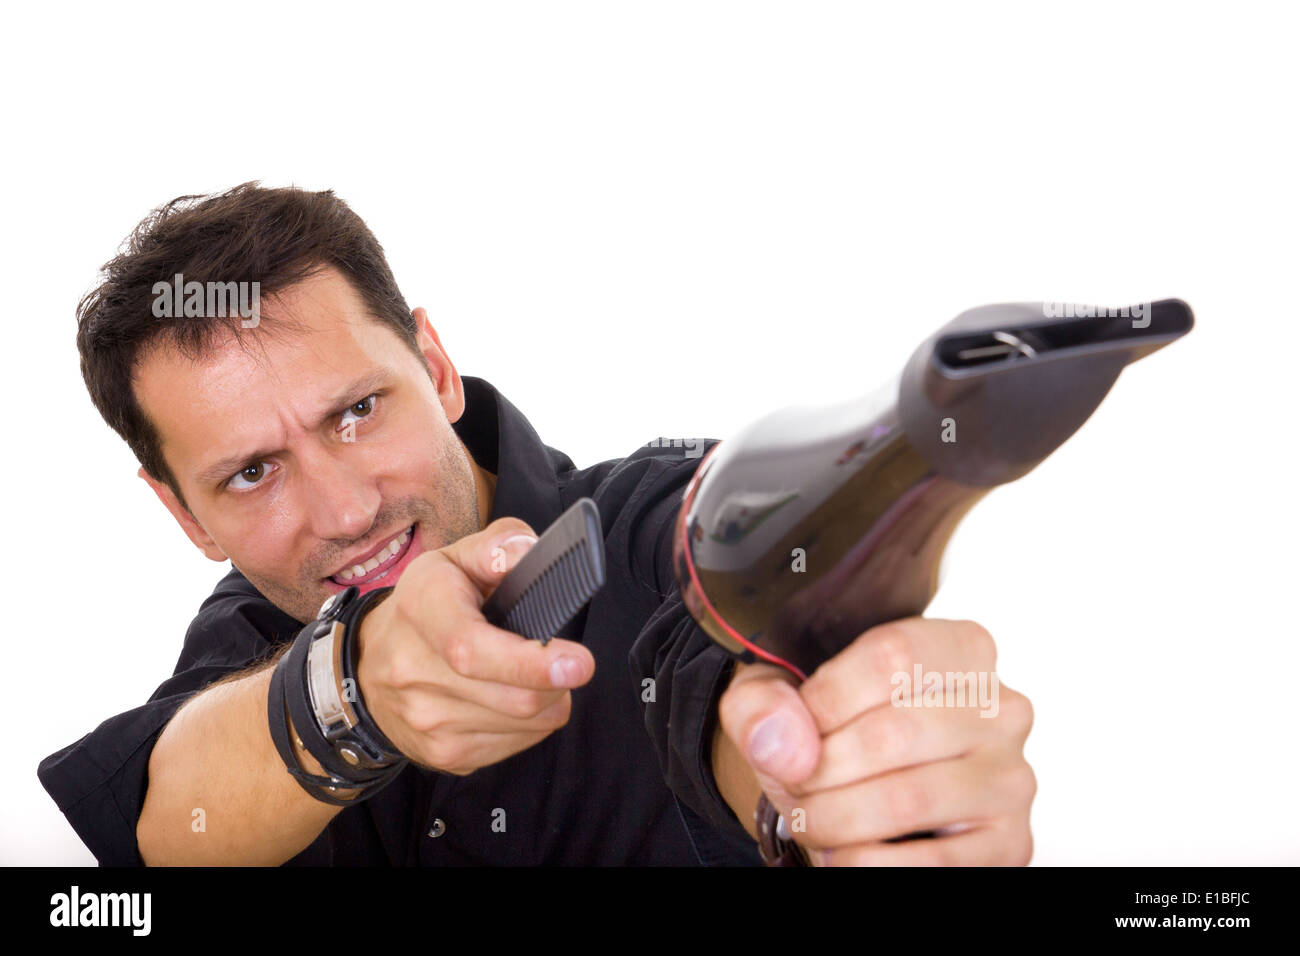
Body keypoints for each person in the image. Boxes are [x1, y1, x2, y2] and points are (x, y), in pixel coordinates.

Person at [40, 183, 1036, 866]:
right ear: (182, 513)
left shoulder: (656, 521)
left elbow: (724, 666)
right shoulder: (246, 639)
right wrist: (358, 690)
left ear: (433, 365)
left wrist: (825, 787)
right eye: (252, 471)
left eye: (356, 410)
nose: (345, 511)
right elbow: (159, 819)